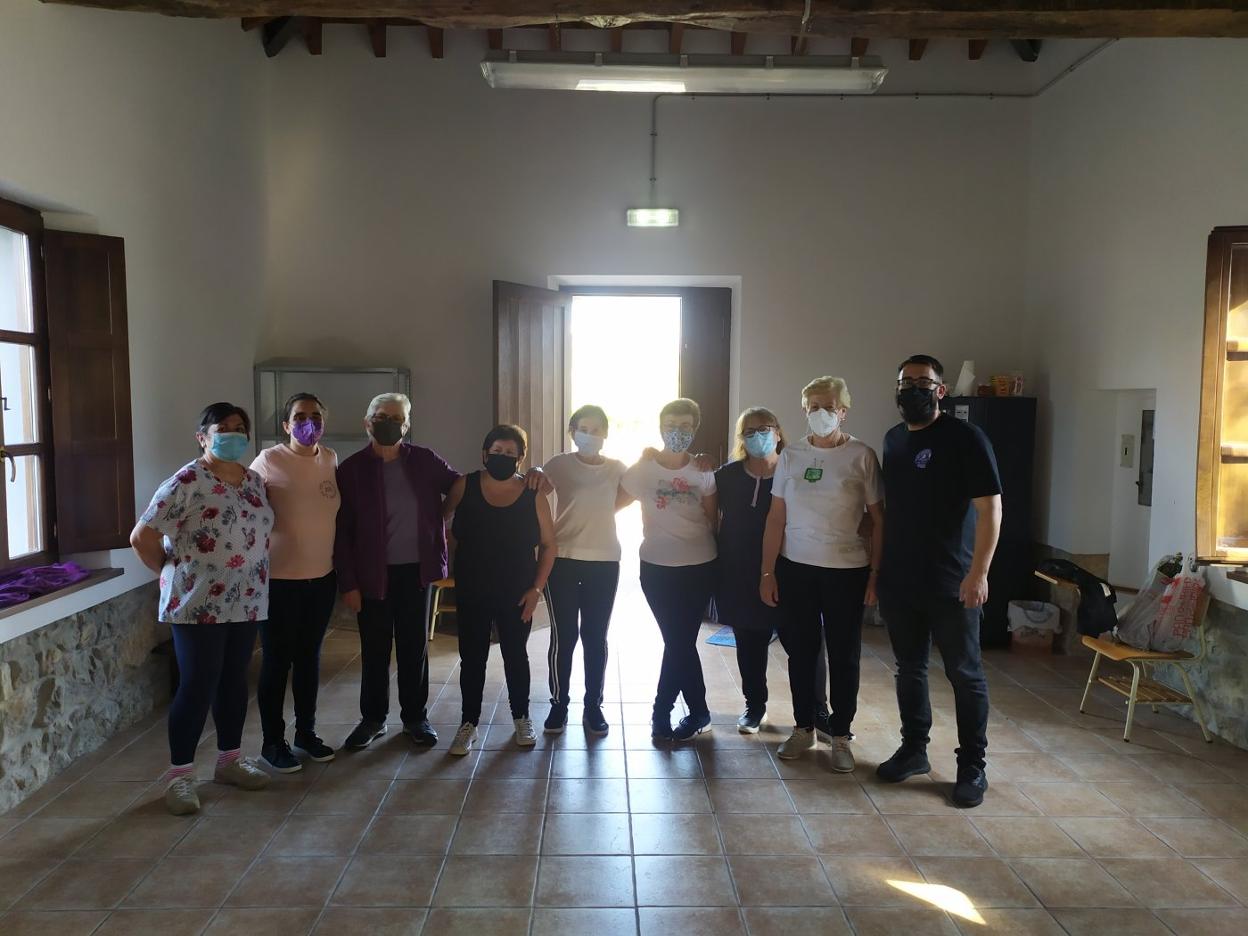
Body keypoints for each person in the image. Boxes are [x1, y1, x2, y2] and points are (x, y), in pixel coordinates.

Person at [130, 403, 274, 816]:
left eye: (239, 427)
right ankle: (180, 776)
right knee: (197, 684)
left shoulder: (254, 481)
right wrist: (173, 573)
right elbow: (142, 537)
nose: (232, 434)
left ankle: (229, 761)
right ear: (203, 437)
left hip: (246, 600)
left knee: (233, 681)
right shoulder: (187, 481)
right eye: (222, 428)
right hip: (197, 605)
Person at [876, 354, 1002, 808]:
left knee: (964, 674)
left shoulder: (966, 438)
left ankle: (972, 766)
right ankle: (914, 750)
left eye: (922, 382)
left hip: (953, 581)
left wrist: (979, 573)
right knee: (909, 668)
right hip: (901, 580)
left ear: (940, 390)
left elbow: (991, 509)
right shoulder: (893, 439)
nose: (913, 389)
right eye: (905, 381)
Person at [761, 377, 884, 772]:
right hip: (796, 567)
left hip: (847, 570)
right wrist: (767, 572)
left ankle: (842, 734)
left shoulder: (861, 456)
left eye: (829, 406)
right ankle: (804, 727)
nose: (821, 413)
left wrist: (875, 574)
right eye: (813, 406)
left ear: (843, 411)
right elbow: (776, 517)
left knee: (845, 654)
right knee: (801, 651)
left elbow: (879, 519)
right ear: (804, 410)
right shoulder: (792, 455)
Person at [334, 393, 459, 750]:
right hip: (371, 574)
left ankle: (415, 718)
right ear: (367, 422)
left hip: (416, 572)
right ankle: (373, 719)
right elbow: (342, 531)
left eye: (396, 418)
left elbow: (460, 485)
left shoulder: (424, 460)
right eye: (380, 416)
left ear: (406, 425)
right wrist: (348, 582)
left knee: (413, 647)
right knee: (374, 649)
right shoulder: (351, 470)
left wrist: (442, 517)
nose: (388, 423)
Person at [443, 424, 557, 755]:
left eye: (510, 453)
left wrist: (536, 589)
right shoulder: (465, 485)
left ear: (521, 458)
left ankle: (521, 716)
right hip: (472, 589)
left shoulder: (533, 494)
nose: (502, 457)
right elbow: (440, 521)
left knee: (515, 655)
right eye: (497, 451)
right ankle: (468, 723)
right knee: (472, 658)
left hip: (517, 591)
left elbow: (549, 545)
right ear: (484, 454)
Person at [250, 393, 340, 773]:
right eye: (300, 417)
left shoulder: (330, 459)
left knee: (309, 659)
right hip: (279, 581)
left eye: (315, 416)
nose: (308, 423)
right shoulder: (269, 460)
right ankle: (273, 742)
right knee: (276, 661)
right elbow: (247, 509)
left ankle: (306, 732)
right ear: (286, 425)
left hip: (321, 578)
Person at [621, 398, 719, 743]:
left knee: (679, 641)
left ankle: (662, 712)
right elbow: (610, 504)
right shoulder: (643, 469)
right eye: (672, 425)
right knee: (678, 641)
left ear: (695, 429)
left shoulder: (703, 470)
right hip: (656, 567)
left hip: (699, 566)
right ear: (661, 427)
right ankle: (698, 712)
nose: (678, 432)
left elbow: (713, 518)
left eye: (685, 426)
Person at [535, 405, 628, 737]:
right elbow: (536, 491)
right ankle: (559, 704)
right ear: (573, 432)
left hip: (604, 561)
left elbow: (629, 495)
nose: (590, 435)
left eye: (596, 429)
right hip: (562, 559)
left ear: (606, 433)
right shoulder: (559, 464)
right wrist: (533, 469)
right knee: (564, 636)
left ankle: (593, 706)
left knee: (595, 636)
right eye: (583, 429)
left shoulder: (618, 468)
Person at [714, 407, 787, 733]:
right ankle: (755, 705)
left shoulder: (792, 470)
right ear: (741, 438)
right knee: (749, 641)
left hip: (788, 568)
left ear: (778, 432)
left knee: (803, 644)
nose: (758, 436)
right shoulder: (727, 476)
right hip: (739, 569)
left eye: (764, 428)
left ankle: (815, 712)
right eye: (750, 431)